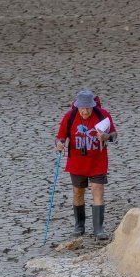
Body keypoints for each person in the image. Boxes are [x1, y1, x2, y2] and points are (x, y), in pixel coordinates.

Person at [55, 90, 117, 240]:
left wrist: (106, 136)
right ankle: (79, 225)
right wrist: (60, 144)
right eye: (82, 108)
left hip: (98, 162)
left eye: (88, 108)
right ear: (77, 106)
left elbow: (115, 135)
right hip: (76, 163)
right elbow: (60, 136)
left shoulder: (103, 115)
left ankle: (98, 229)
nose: (85, 111)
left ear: (93, 105)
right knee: (78, 193)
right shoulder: (69, 116)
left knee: (98, 191)